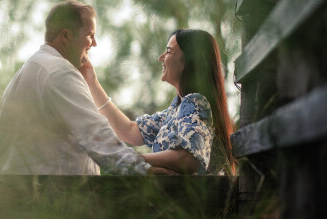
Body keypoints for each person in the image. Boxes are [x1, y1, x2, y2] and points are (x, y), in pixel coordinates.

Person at [0, 0, 168, 176]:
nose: (94, 43)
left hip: (17, 186)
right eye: (90, 35)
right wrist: (144, 171)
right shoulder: (59, 71)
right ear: (66, 36)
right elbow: (95, 135)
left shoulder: (31, 68)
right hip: (49, 191)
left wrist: (92, 83)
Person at [80, 29, 236, 175]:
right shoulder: (176, 110)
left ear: (189, 61)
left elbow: (189, 158)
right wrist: (92, 82)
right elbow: (130, 131)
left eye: (168, 51)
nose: (161, 58)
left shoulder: (195, 102)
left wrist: (133, 159)